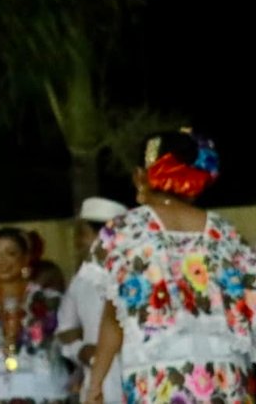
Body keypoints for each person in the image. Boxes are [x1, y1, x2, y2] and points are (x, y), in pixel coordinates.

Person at [86, 131, 256, 404]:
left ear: (140, 176)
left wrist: (95, 383)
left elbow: (114, 316)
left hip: (157, 378)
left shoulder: (124, 231)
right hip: (225, 376)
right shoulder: (226, 234)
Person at [0, 227, 72, 403]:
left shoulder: (51, 302)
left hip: (45, 393)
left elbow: (72, 343)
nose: (2, 261)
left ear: (25, 258)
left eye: (11, 253)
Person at [57, 197, 129, 404]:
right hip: (99, 382)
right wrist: (81, 350)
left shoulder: (140, 275)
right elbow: (65, 329)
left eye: (83, 234)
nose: (78, 242)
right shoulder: (82, 280)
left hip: (137, 374)